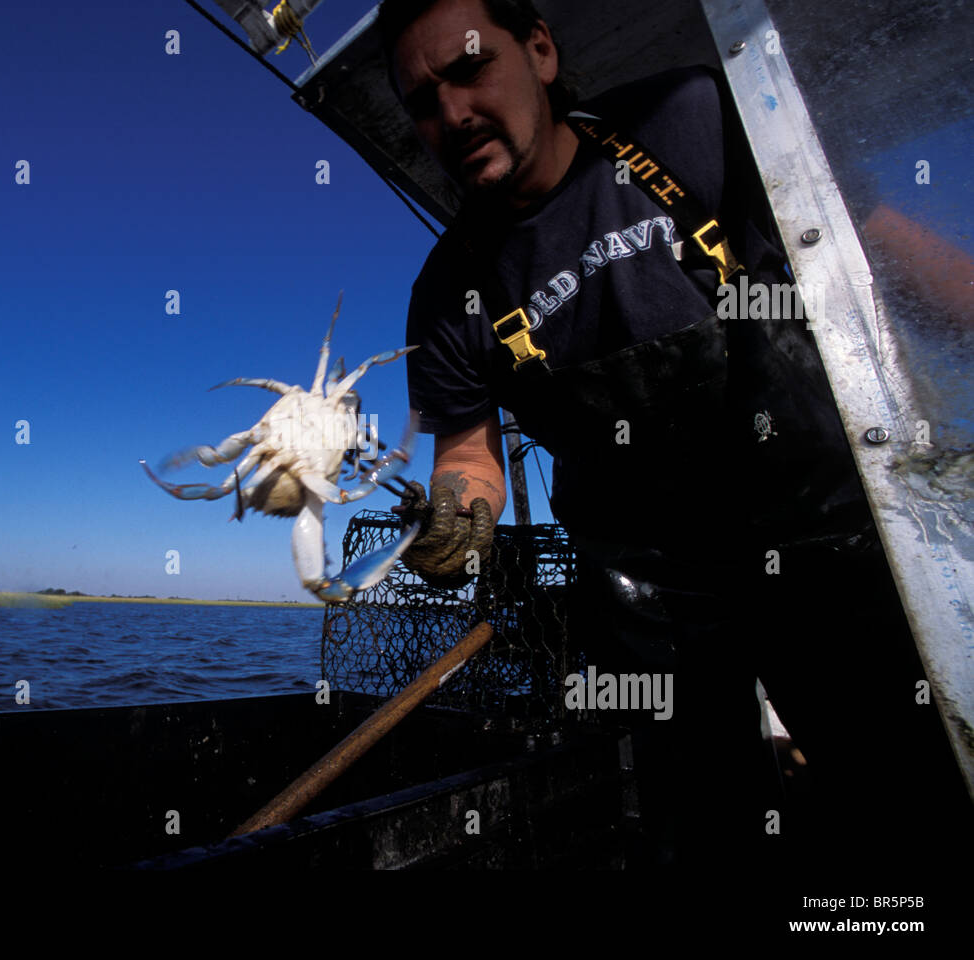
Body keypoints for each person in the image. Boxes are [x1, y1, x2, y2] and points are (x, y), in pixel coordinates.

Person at [379, 0, 970, 871]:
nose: (452, 114)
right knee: (700, 833)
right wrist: (447, 531)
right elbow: (469, 460)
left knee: (913, 801)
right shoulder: (444, 299)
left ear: (539, 50)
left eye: (469, 70)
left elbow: (873, 245)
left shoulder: (686, 123)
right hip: (648, 588)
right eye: (423, 101)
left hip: (820, 532)